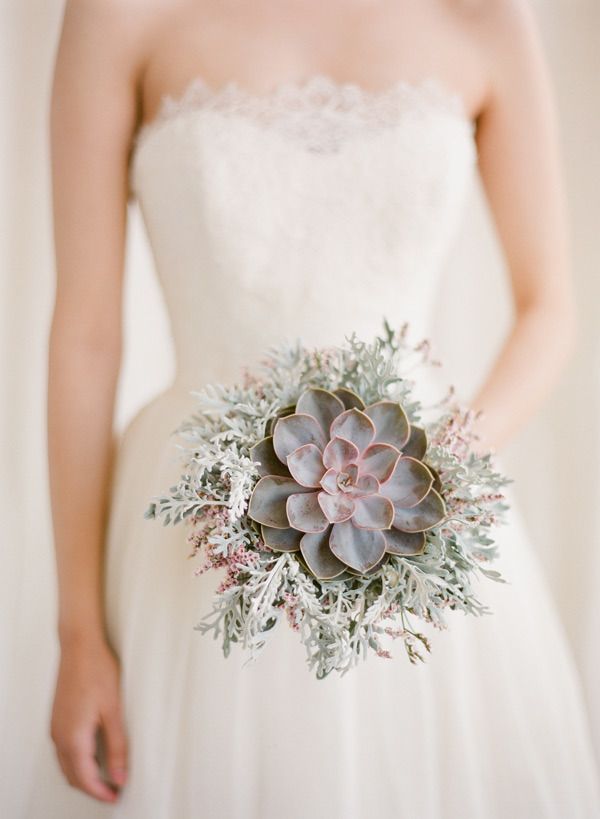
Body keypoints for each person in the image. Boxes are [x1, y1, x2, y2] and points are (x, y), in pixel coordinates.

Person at [45, 0, 600, 816]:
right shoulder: (117, 15)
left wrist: (436, 474)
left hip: (415, 508)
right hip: (189, 541)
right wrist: (79, 633)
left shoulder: (486, 18)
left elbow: (550, 304)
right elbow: (87, 337)